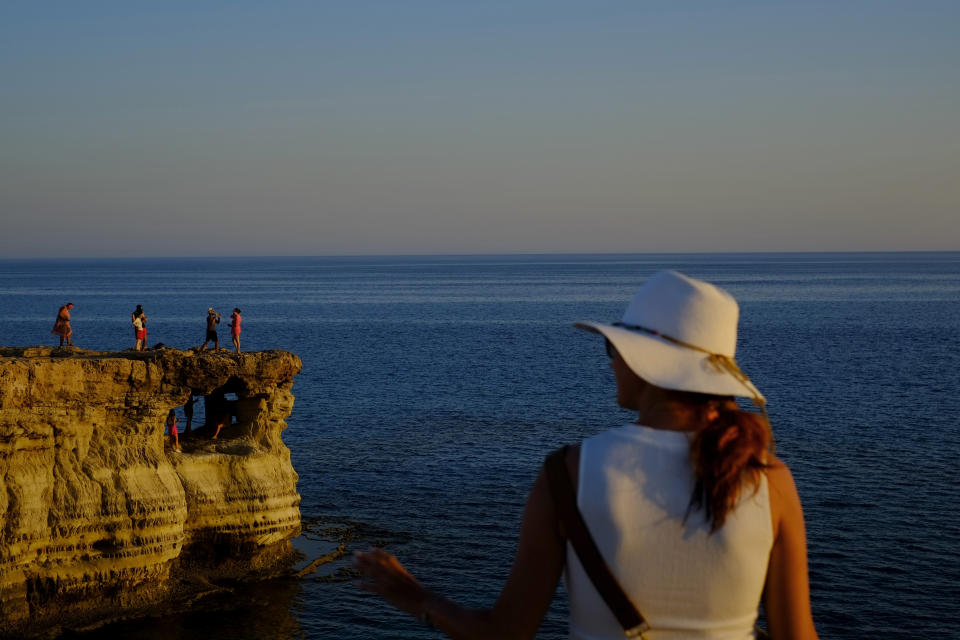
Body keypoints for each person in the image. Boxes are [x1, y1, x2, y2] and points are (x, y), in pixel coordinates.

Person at [354, 271, 818, 640]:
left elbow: (506, 633)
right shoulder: (770, 479)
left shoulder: (570, 473)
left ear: (645, 364)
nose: (610, 361)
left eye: (613, 348)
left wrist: (414, 597)